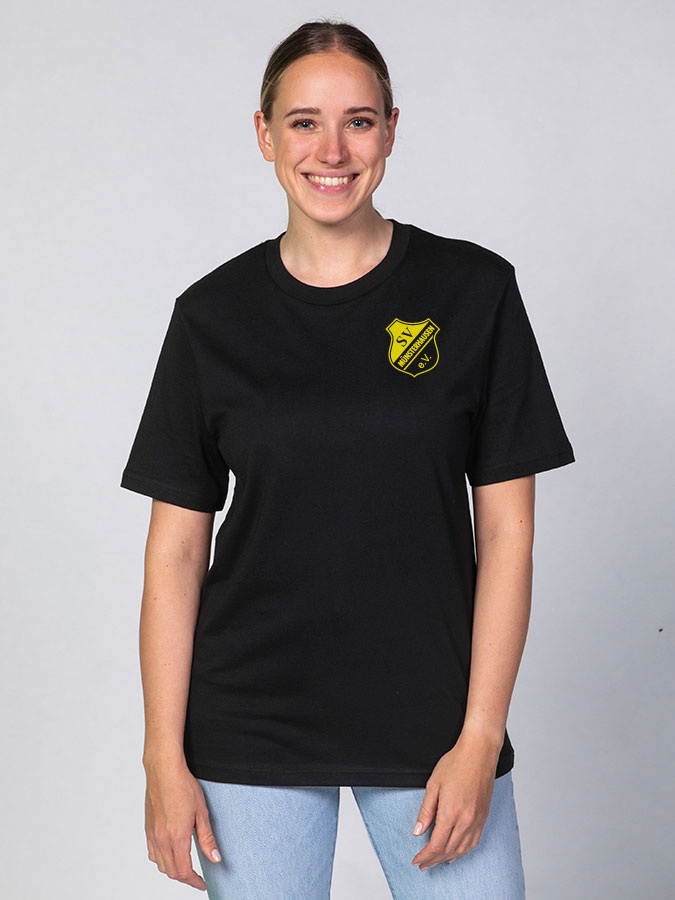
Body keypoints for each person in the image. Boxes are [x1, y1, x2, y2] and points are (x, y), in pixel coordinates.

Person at [120, 18, 575, 900]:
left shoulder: (473, 293)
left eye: (357, 121)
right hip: (249, 721)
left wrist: (481, 734)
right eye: (303, 122)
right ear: (264, 134)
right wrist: (161, 758)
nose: (331, 150)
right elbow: (175, 551)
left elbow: (507, 536)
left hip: (433, 721)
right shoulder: (210, 317)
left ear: (390, 131)